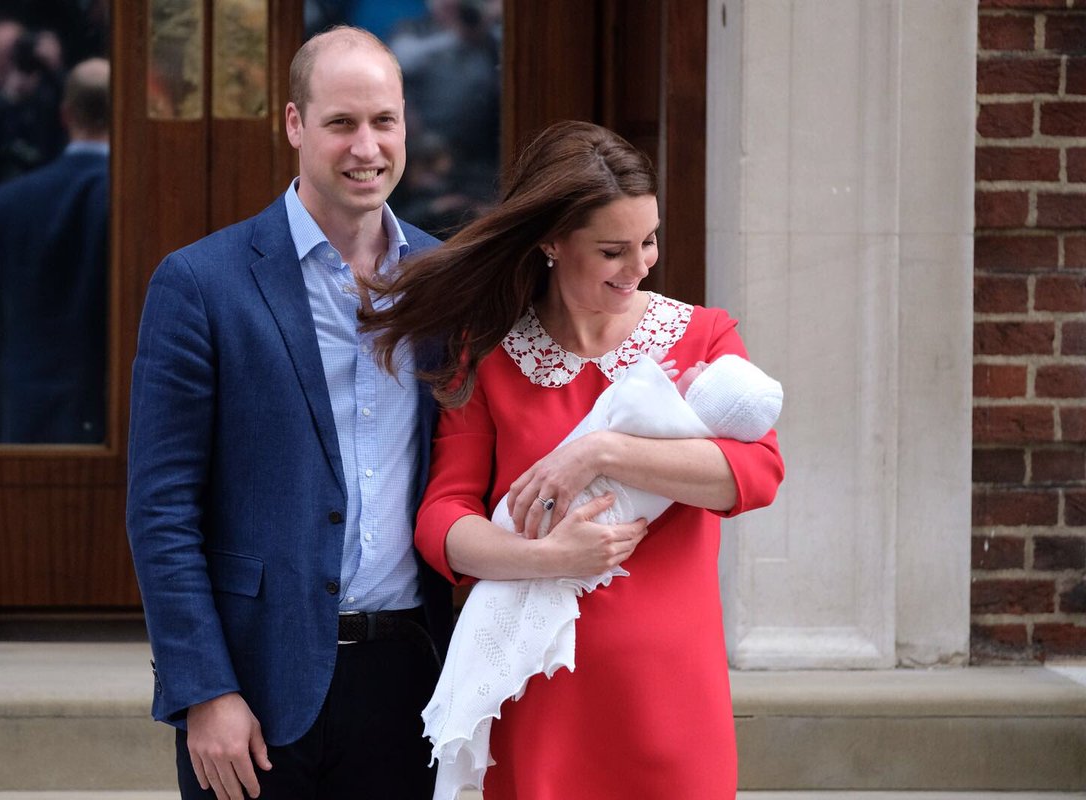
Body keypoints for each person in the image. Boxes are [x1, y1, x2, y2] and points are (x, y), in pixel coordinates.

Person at [362, 120, 785, 798]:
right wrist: (550, 559)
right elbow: (442, 522)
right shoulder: (489, 354)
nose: (640, 264)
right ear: (552, 243)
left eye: (648, 241)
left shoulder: (703, 336)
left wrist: (600, 451)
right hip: (538, 694)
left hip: (672, 697)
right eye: (613, 250)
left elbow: (757, 474)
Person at [126, 26, 451, 800]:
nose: (366, 146)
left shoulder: (445, 284)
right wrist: (203, 690)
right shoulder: (201, 283)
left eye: (384, 121)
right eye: (341, 122)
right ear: (296, 125)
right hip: (254, 689)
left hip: (409, 678)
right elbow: (162, 508)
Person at [0, 57, 110, 443]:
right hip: (108, 418)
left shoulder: (7, 202)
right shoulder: (136, 204)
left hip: (24, 412)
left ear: (66, 115)